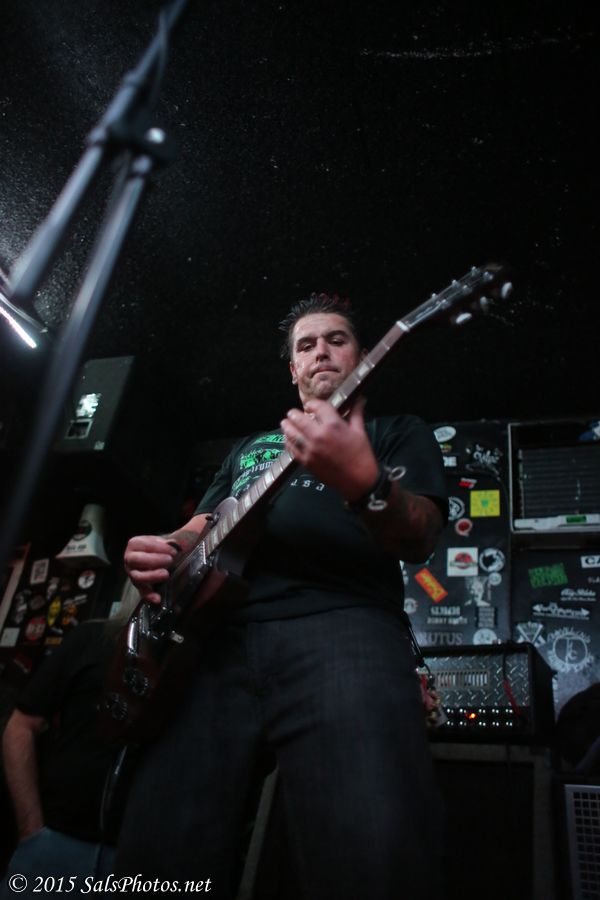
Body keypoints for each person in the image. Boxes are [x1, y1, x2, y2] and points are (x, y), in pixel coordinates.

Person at [117, 294, 449, 899]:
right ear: (293, 369)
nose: (321, 351)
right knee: (159, 851)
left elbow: (421, 533)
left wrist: (364, 484)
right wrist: (161, 548)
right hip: (212, 645)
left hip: (343, 628)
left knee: (370, 849)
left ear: (361, 355)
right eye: (306, 345)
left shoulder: (395, 432)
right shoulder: (249, 448)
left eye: (337, 340)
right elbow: (200, 526)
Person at [1, 587, 140, 898]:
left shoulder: (186, 660)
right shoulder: (91, 639)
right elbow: (21, 726)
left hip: (135, 860)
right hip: (56, 842)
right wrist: (32, 831)